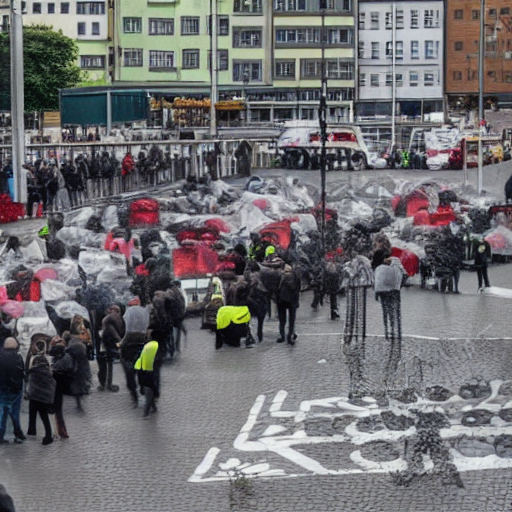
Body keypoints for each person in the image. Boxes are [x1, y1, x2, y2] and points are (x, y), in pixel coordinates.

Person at [119, 297, 149, 407]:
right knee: (142, 371)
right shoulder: (144, 313)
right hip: (142, 346)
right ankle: (143, 388)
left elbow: (124, 333)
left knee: (130, 374)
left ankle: (134, 396)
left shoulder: (128, 315)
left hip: (128, 348)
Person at [25, 342, 56, 445]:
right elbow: (52, 384)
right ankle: (48, 435)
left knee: (32, 410)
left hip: (34, 396)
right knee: (44, 416)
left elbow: (29, 382)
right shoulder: (48, 373)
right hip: (44, 397)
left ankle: (32, 429)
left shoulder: (33, 372)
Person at [0, 338, 25, 444]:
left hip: (2, 389)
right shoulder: (18, 357)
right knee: (14, 412)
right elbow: (21, 372)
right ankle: (18, 433)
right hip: (15, 390)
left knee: (2, 413)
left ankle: (1, 434)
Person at [97, 305, 125, 392]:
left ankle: (104, 384)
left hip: (106, 344)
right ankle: (107, 383)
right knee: (109, 364)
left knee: (104, 364)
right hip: (111, 345)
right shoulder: (119, 319)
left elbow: (111, 333)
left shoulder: (108, 320)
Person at [135, 332, 162, 418]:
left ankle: (149, 409)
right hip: (148, 369)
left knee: (148, 389)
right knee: (150, 388)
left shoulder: (147, 345)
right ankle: (149, 409)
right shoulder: (155, 346)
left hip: (143, 369)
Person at [276, 264, 301, 345]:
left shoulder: (280, 277)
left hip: (281, 300)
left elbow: (276, 289)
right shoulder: (295, 277)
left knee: (282, 319)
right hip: (292, 300)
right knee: (292, 320)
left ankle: (282, 335)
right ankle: (290, 335)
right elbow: (298, 289)